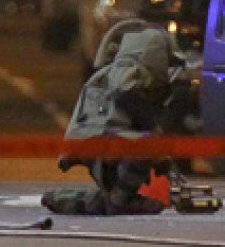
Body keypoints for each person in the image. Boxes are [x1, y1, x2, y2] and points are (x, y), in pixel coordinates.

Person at [42, 20, 176, 215]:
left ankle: (65, 199)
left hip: (94, 140)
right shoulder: (128, 71)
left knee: (112, 197)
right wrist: (155, 135)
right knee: (146, 147)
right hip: (100, 140)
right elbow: (125, 94)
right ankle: (120, 202)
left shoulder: (108, 73)